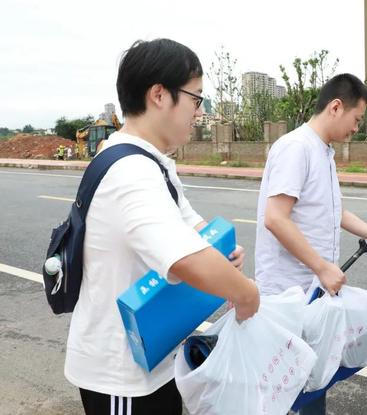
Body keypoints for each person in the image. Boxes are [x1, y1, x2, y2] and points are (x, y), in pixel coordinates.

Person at [64, 39, 260, 415]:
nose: (199, 112)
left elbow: (193, 231)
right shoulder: (131, 171)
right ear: (159, 94)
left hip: (155, 354)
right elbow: (186, 258)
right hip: (123, 375)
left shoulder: (150, 161)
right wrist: (246, 294)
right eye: (196, 98)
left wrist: (221, 255)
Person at [255, 73, 367, 415]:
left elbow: (335, 211)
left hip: (312, 294)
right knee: (288, 389)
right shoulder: (296, 148)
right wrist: (322, 266)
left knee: (314, 379)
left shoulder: (322, 152)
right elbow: (276, 218)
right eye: (357, 119)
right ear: (336, 107)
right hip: (289, 294)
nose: (356, 128)